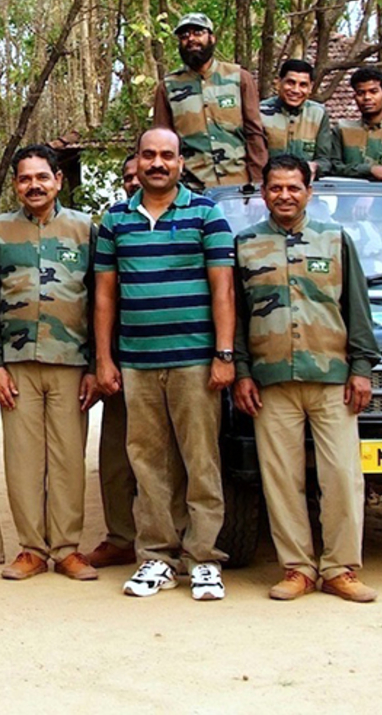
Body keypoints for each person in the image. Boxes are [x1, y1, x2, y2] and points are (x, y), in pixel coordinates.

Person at [95, 127, 236, 600]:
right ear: (137, 161)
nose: (158, 163)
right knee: (148, 462)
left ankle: (203, 559)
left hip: (195, 360)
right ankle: (157, 556)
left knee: (200, 460)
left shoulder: (207, 214)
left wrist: (224, 354)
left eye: (167, 156)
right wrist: (104, 359)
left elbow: (222, 289)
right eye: (149, 155)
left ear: (181, 163)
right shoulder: (115, 220)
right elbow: (105, 295)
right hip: (137, 362)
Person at [233, 154, 381, 602]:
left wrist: (361, 368)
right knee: (281, 479)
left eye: (293, 188)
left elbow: (357, 308)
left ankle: (340, 568)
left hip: (332, 378)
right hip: (271, 381)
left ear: (309, 193)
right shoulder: (245, 245)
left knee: (341, 476)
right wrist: (242, 372)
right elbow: (236, 316)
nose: (285, 195)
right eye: (276, 188)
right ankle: (296, 567)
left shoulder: (335, 239)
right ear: (263, 194)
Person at [0, 145, 102, 583]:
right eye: (25, 178)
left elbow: (101, 300)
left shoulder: (85, 229)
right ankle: (31, 549)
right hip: (16, 365)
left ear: (58, 180)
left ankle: (67, 549)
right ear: (16, 184)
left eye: (42, 177)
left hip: (71, 363)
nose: (34, 186)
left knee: (68, 459)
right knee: (23, 460)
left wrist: (96, 365)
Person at [83, 153, 142, 570]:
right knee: (116, 458)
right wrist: (100, 360)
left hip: (171, 358)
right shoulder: (113, 225)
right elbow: (96, 297)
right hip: (120, 359)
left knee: (167, 458)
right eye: (127, 177)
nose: (134, 181)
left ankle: (173, 542)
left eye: (139, 175)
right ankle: (121, 538)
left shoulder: (193, 215)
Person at [152, 13, 268, 190]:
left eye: (198, 33)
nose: (191, 39)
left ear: (212, 38)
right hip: (192, 189)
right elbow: (162, 142)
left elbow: (254, 134)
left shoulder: (239, 78)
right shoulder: (168, 87)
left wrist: (259, 184)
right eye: (184, 36)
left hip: (238, 186)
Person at [259, 59, 339, 177]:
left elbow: (325, 160)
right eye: (290, 83)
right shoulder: (259, 112)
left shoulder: (318, 114)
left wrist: (314, 167)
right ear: (278, 82)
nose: (296, 90)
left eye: (303, 85)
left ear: (310, 87)